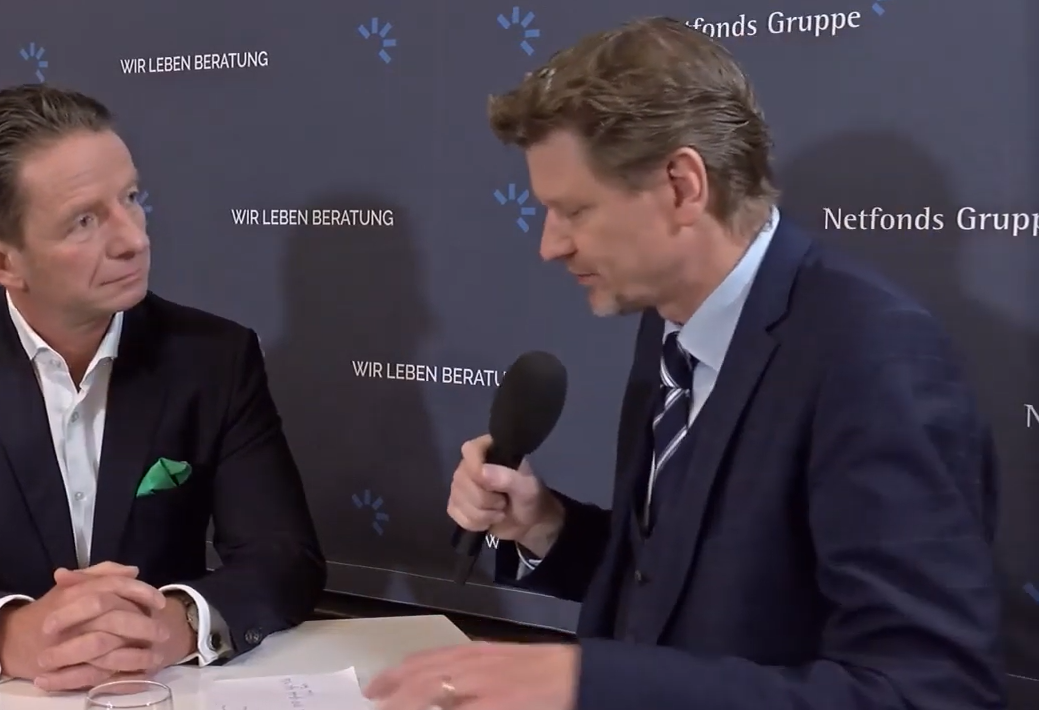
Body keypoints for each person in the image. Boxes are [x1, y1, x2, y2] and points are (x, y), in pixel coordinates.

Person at [365, 17, 1005, 710]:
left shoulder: (874, 359)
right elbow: (683, 593)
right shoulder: (670, 326)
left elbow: (928, 691)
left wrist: (587, 681)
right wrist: (545, 526)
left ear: (681, 185)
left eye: (573, 210)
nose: (550, 245)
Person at [0, 84, 326, 692]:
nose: (133, 239)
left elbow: (283, 559)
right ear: (3, 263)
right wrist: (10, 634)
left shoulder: (214, 358)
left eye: (131, 198)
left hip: (162, 690)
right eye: (85, 221)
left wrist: (178, 623)